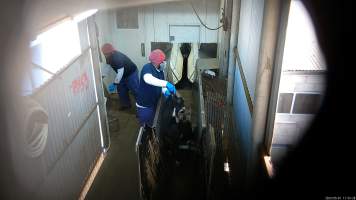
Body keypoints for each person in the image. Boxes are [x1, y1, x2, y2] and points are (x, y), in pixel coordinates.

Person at [136, 49, 177, 127]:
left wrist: (165, 91)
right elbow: (148, 79)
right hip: (145, 105)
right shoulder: (147, 67)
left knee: (152, 122)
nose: (164, 63)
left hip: (153, 102)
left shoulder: (160, 71)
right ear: (157, 62)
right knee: (146, 126)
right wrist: (166, 83)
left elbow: (158, 85)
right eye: (163, 61)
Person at [101, 43, 139, 110]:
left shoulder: (117, 57)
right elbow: (107, 67)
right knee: (121, 89)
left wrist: (115, 83)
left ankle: (141, 109)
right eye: (104, 53)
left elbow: (120, 72)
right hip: (122, 74)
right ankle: (126, 105)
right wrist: (102, 76)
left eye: (106, 53)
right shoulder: (108, 57)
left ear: (111, 52)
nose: (105, 55)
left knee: (135, 90)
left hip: (131, 73)